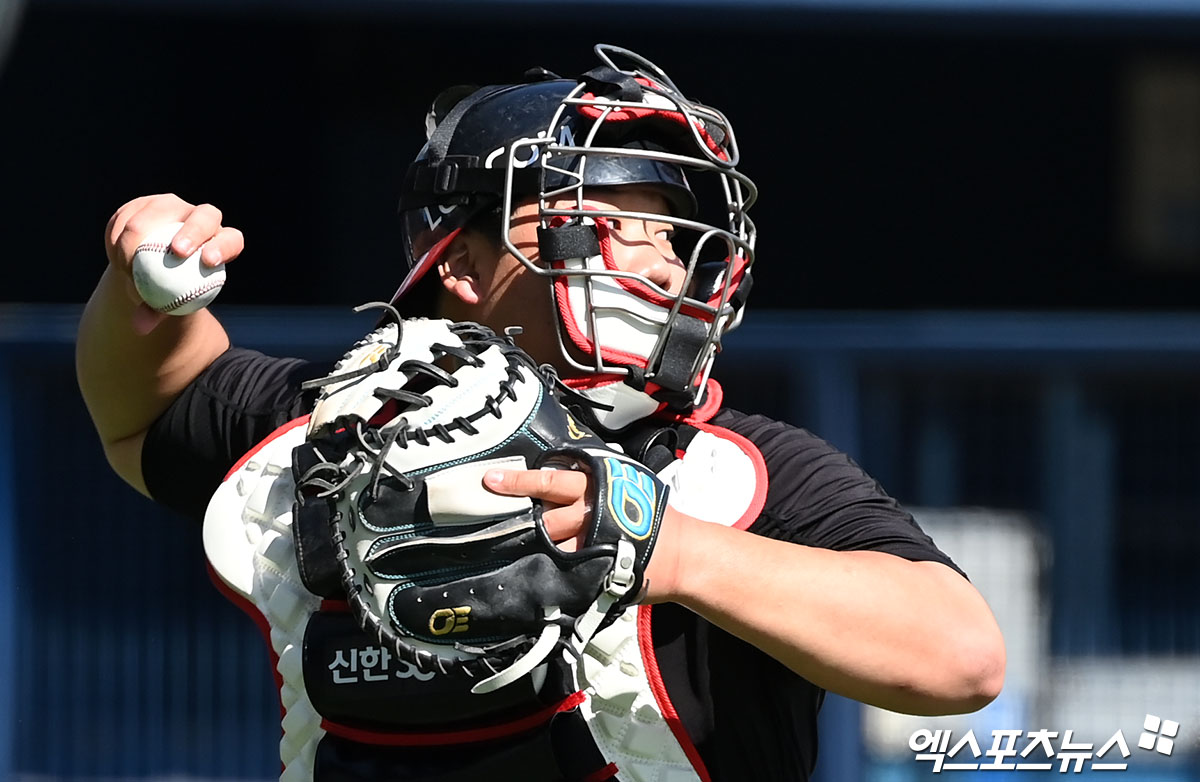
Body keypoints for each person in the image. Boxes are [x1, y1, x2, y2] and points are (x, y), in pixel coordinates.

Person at [77, 45, 1004, 782]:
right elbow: (141, 409)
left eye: (672, 235)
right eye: (599, 221)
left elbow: (961, 657)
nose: (656, 261)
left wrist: (676, 553)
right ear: (462, 262)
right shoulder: (329, 430)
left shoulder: (732, 474)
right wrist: (140, 286)